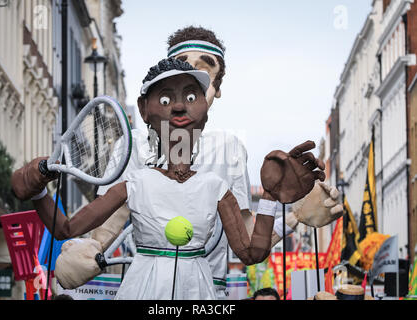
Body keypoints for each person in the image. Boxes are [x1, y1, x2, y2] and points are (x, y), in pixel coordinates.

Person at [55, 26, 344, 297]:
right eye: (179, 69)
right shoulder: (132, 144)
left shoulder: (229, 147)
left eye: (202, 72)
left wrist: (295, 217)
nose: (189, 79)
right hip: (147, 286)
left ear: (215, 88)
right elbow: (106, 226)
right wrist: (85, 252)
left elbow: (247, 239)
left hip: (207, 290)